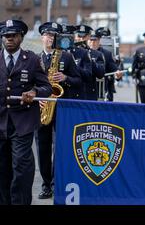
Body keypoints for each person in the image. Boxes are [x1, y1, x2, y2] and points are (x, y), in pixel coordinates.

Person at [0, 20, 52, 205]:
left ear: (21, 37)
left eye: (13, 35)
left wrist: (35, 92)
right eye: (6, 35)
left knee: (21, 166)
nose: (9, 39)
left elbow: (47, 87)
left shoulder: (31, 59)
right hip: (1, 122)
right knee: (2, 168)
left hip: (22, 122)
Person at [35, 22, 82, 199]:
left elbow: (78, 80)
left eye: (53, 35)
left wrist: (65, 77)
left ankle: (56, 181)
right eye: (47, 35)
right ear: (42, 38)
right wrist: (36, 97)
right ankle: (46, 184)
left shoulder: (66, 57)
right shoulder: (34, 58)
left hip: (61, 108)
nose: (50, 38)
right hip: (41, 109)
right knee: (43, 148)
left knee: (60, 146)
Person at [88, 28, 123, 101]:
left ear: (99, 40)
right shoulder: (83, 53)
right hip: (87, 90)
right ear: (87, 40)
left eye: (95, 40)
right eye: (91, 40)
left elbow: (114, 69)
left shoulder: (106, 54)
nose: (93, 43)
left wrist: (118, 75)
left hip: (103, 90)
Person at [74, 25, 105, 100]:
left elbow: (101, 74)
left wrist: (88, 58)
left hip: (87, 94)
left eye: (84, 37)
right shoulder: (69, 53)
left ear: (88, 37)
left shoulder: (97, 54)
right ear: (75, 37)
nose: (81, 39)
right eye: (79, 36)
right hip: (72, 94)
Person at [62, 25, 92, 100]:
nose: (66, 39)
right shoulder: (55, 52)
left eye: (69, 36)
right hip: (58, 94)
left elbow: (88, 75)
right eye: (63, 36)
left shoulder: (83, 52)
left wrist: (73, 66)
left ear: (73, 37)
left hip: (75, 94)